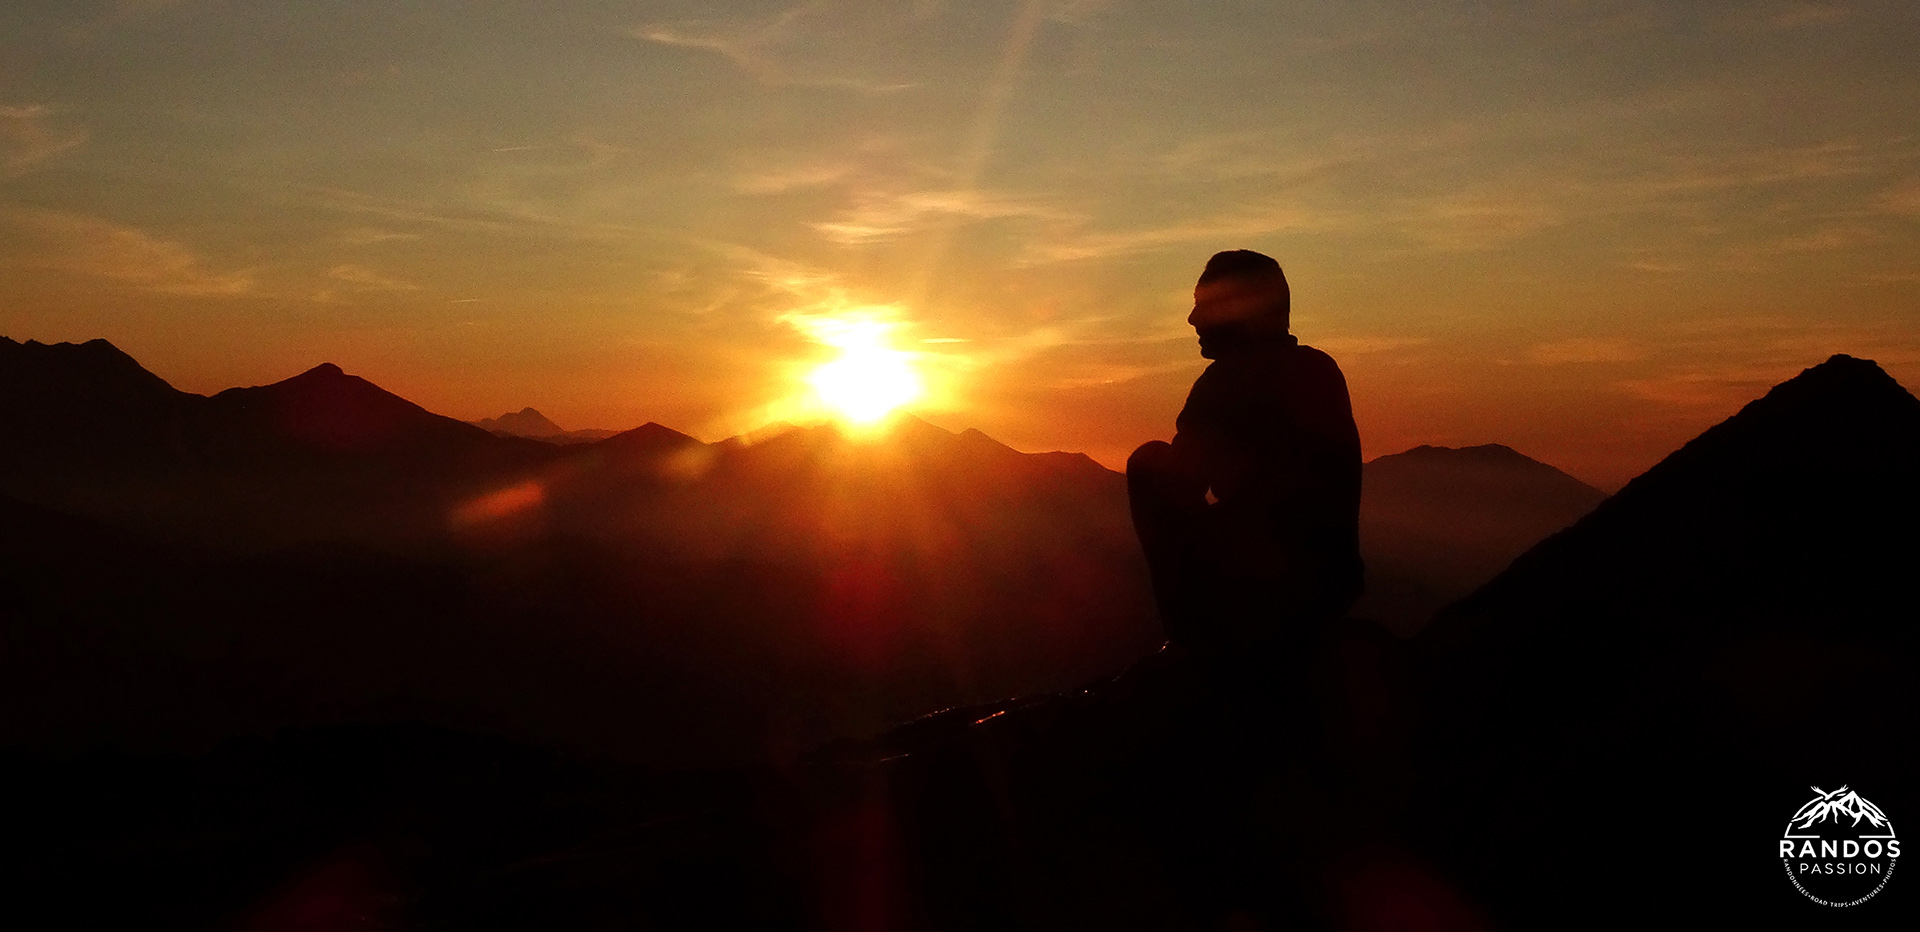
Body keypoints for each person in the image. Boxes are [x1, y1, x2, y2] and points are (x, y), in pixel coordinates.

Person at [1127, 250, 1363, 651]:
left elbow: (1181, 486)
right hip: (1333, 588)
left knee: (1146, 464)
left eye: (1204, 306)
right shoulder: (1320, 369)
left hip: (1263, 594)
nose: (1192, 319)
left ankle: (1189, 640)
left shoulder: (1226, 383)